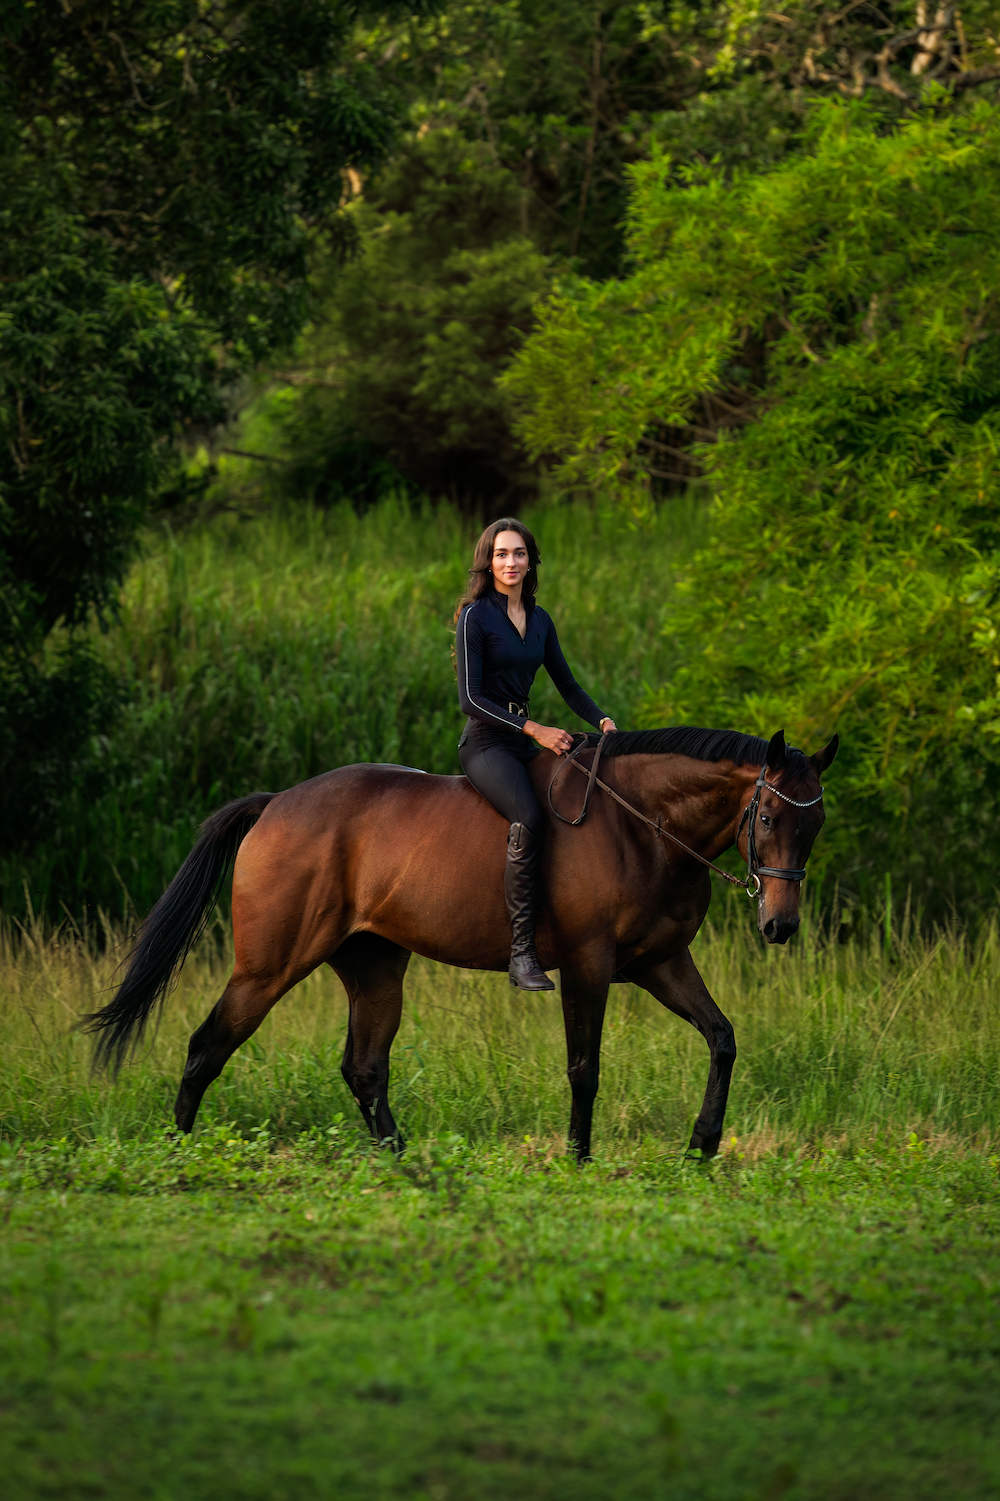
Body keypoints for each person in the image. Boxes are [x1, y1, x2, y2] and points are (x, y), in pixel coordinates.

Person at [454, 517, 617, 991]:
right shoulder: (474, 617)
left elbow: (566, 684)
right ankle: (522, 952)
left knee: (579, 806)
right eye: (502, 554)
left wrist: (602, 720)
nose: (511, 562)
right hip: (486, 743)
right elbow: (470, 699)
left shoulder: (540, 619)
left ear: (531, 561)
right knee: (529, 814)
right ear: (488, 560)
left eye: (519, 553)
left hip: (523, 741)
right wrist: (535, 728)